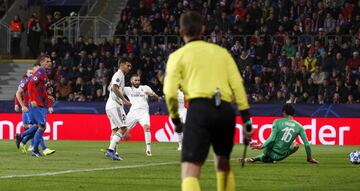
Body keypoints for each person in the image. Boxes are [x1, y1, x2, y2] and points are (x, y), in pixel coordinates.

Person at [163, 11, 253, 191]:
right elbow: (238, 86)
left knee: (190, 170)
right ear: (203, 30)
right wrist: (246, 120)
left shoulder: (177, 56)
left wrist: (175, 119)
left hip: (199, 109)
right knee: (222, 163)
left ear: (180, 31)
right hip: (225, 111)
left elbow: (170, 92)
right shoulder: (222, 53)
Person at [240, 104, 319, 164]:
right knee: (296, 144)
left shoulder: (277, 122)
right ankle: (256, 159)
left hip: (268, 151)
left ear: (284, 112)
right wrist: (309, 158)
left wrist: (262, 146)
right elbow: (307, 145)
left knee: (272, 143)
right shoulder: (299, 127)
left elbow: (272, 139)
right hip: (280, 156)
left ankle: (255, 158)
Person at [16, 55, 54, 157]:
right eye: (47, 61)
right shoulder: (41, 71)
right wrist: (32, 100)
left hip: (39, 103)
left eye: (50, 61)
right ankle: (36, 150)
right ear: (41, 63)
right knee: (41, 126)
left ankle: (22, 137)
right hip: (35, 104)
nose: (49, 63)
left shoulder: (44, 73)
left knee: (39, 126)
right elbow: (30, 84)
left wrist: (48, 97)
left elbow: (41, 90)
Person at [124, 74, 160, 157]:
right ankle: (112, 148)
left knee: (147, 127)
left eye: (138, 80)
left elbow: (155, 96)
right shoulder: (127, 89)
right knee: (121, 130)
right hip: (132, 113)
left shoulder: (145, 88)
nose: (137, 82)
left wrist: (156, 97)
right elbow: (115, 91)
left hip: (144, 113)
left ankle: (148, 150)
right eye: (135, 80)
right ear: (131, 81)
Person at [105, 57, 132, 160]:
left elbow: (110, 87)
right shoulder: (119, 74)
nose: (129, 68)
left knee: (115, 129)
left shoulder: (118, 75)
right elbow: (114, 87)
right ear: (121, 65)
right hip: (115, 105)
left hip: (110, 105)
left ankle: (112, 152)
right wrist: (124, 100)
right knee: (123, 128)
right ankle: (111, 150)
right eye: (127, 65)